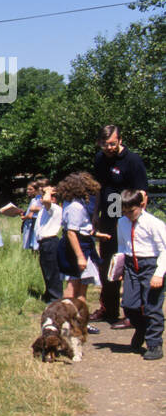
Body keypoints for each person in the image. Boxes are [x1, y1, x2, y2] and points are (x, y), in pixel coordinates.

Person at [91, 125, 150, 327]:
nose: (109, 148)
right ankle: (109, 308)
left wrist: (137, 221)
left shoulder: (133, 160)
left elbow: (142, 193)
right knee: (107, 263)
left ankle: (133, 313)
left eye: (113, 144)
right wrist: (95, 214)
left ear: (120, 140)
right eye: (105, 144)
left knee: (129, 263)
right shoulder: (100, 159)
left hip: (127, 216)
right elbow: (99, 189)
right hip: (108, 216)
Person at [115, 190, 165, 360]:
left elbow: (164, 250)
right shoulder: (122, 223)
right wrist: (119, 267)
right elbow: (122, 246)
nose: (128, 215)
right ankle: (141, 327)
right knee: (129, 304)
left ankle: (154, 344)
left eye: (132, 211)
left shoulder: (154, 223)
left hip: (151, 265)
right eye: (125, 212)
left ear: (142, 205)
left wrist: (159, 274)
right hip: (131, 265)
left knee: (152, 306)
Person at [54, 171, 102, 307]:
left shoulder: (75, 203)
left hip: (82, 244)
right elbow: (71, 232)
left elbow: (82, 228)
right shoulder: (76, 207)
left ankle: (80, 319)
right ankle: (66, 318)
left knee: (82, 286)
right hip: (77, 248)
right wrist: (80, 256)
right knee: (73, 285)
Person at [35, 182, 64, 302]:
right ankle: (49, 294)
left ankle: (55, 298)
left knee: (52, 272)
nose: (42, 198)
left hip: (50, 241)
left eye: (45, 196)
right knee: (46, 270)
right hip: (44, 243)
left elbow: (47, 201)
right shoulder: (45, 209)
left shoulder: (54, 208)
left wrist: (48, 191)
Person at [21, 181, 42, 251]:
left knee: (34, 244)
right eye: (27, 189)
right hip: (36, 222)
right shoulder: (38, 198)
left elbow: (30, 215)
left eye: (30, 189)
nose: (28, 191)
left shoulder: (35, 200)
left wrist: (24, 217)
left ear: (36, 190)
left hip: (34, 222)